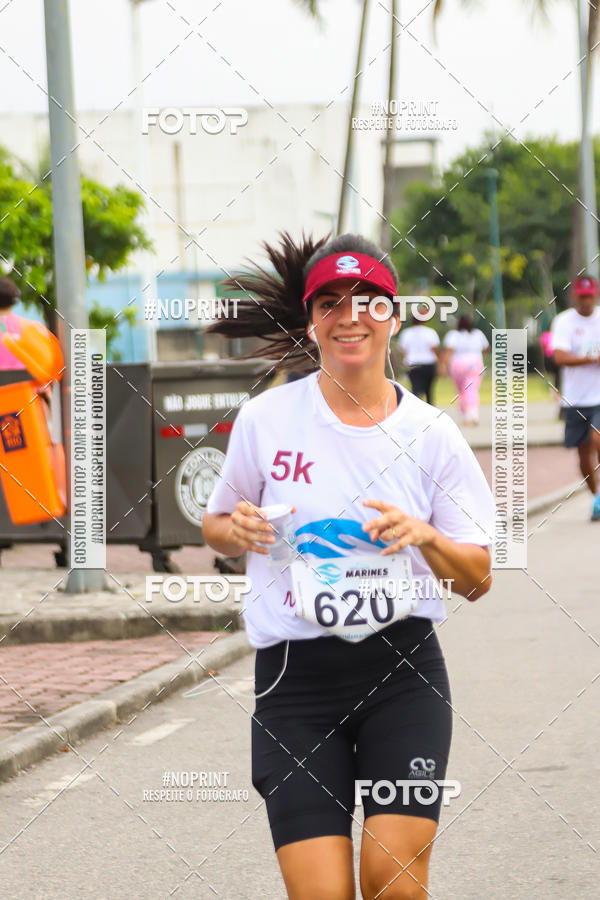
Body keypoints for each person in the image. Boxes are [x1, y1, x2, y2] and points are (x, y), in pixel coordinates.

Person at [202, 233, 495, 900]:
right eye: (330, 302)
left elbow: (476, 579)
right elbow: (216, 524)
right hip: (295, 685)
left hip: (403, 677)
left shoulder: (431, 433)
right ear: (312, 322)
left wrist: (425, 536)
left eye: (368, 301)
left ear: (394, 316)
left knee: (390, 881)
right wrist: (237, 529)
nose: (350, 315)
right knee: (322, 894)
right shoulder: (265, 420)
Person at [551, 274, 600, 521]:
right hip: (576, 399)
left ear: (596, 294)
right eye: (581, 297)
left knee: (597, 439)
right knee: (582, 456)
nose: (585, 301)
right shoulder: (564, 322)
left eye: (589, 296)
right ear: (575, 297)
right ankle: (597, 497)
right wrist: (592, 359)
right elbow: (559, 357)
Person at [441, 316, 489, 425]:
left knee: (461, 391)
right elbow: (486, 348)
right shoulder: (478, 334)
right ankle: (472, 414)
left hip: (457, 364)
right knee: (472, 389)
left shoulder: (453, 335)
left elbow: (448, 351)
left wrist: (443, 365)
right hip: (474, 363)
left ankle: (464, 415)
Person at [396, 311, 440, 405]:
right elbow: (435, 349)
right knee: (429, 390)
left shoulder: (406, 333)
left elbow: (403, 351)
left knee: (416, 389)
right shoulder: (430, 332)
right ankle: (430, 410)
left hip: (413, 364)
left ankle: (415, 408)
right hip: (428, 364)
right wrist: (440, 363)